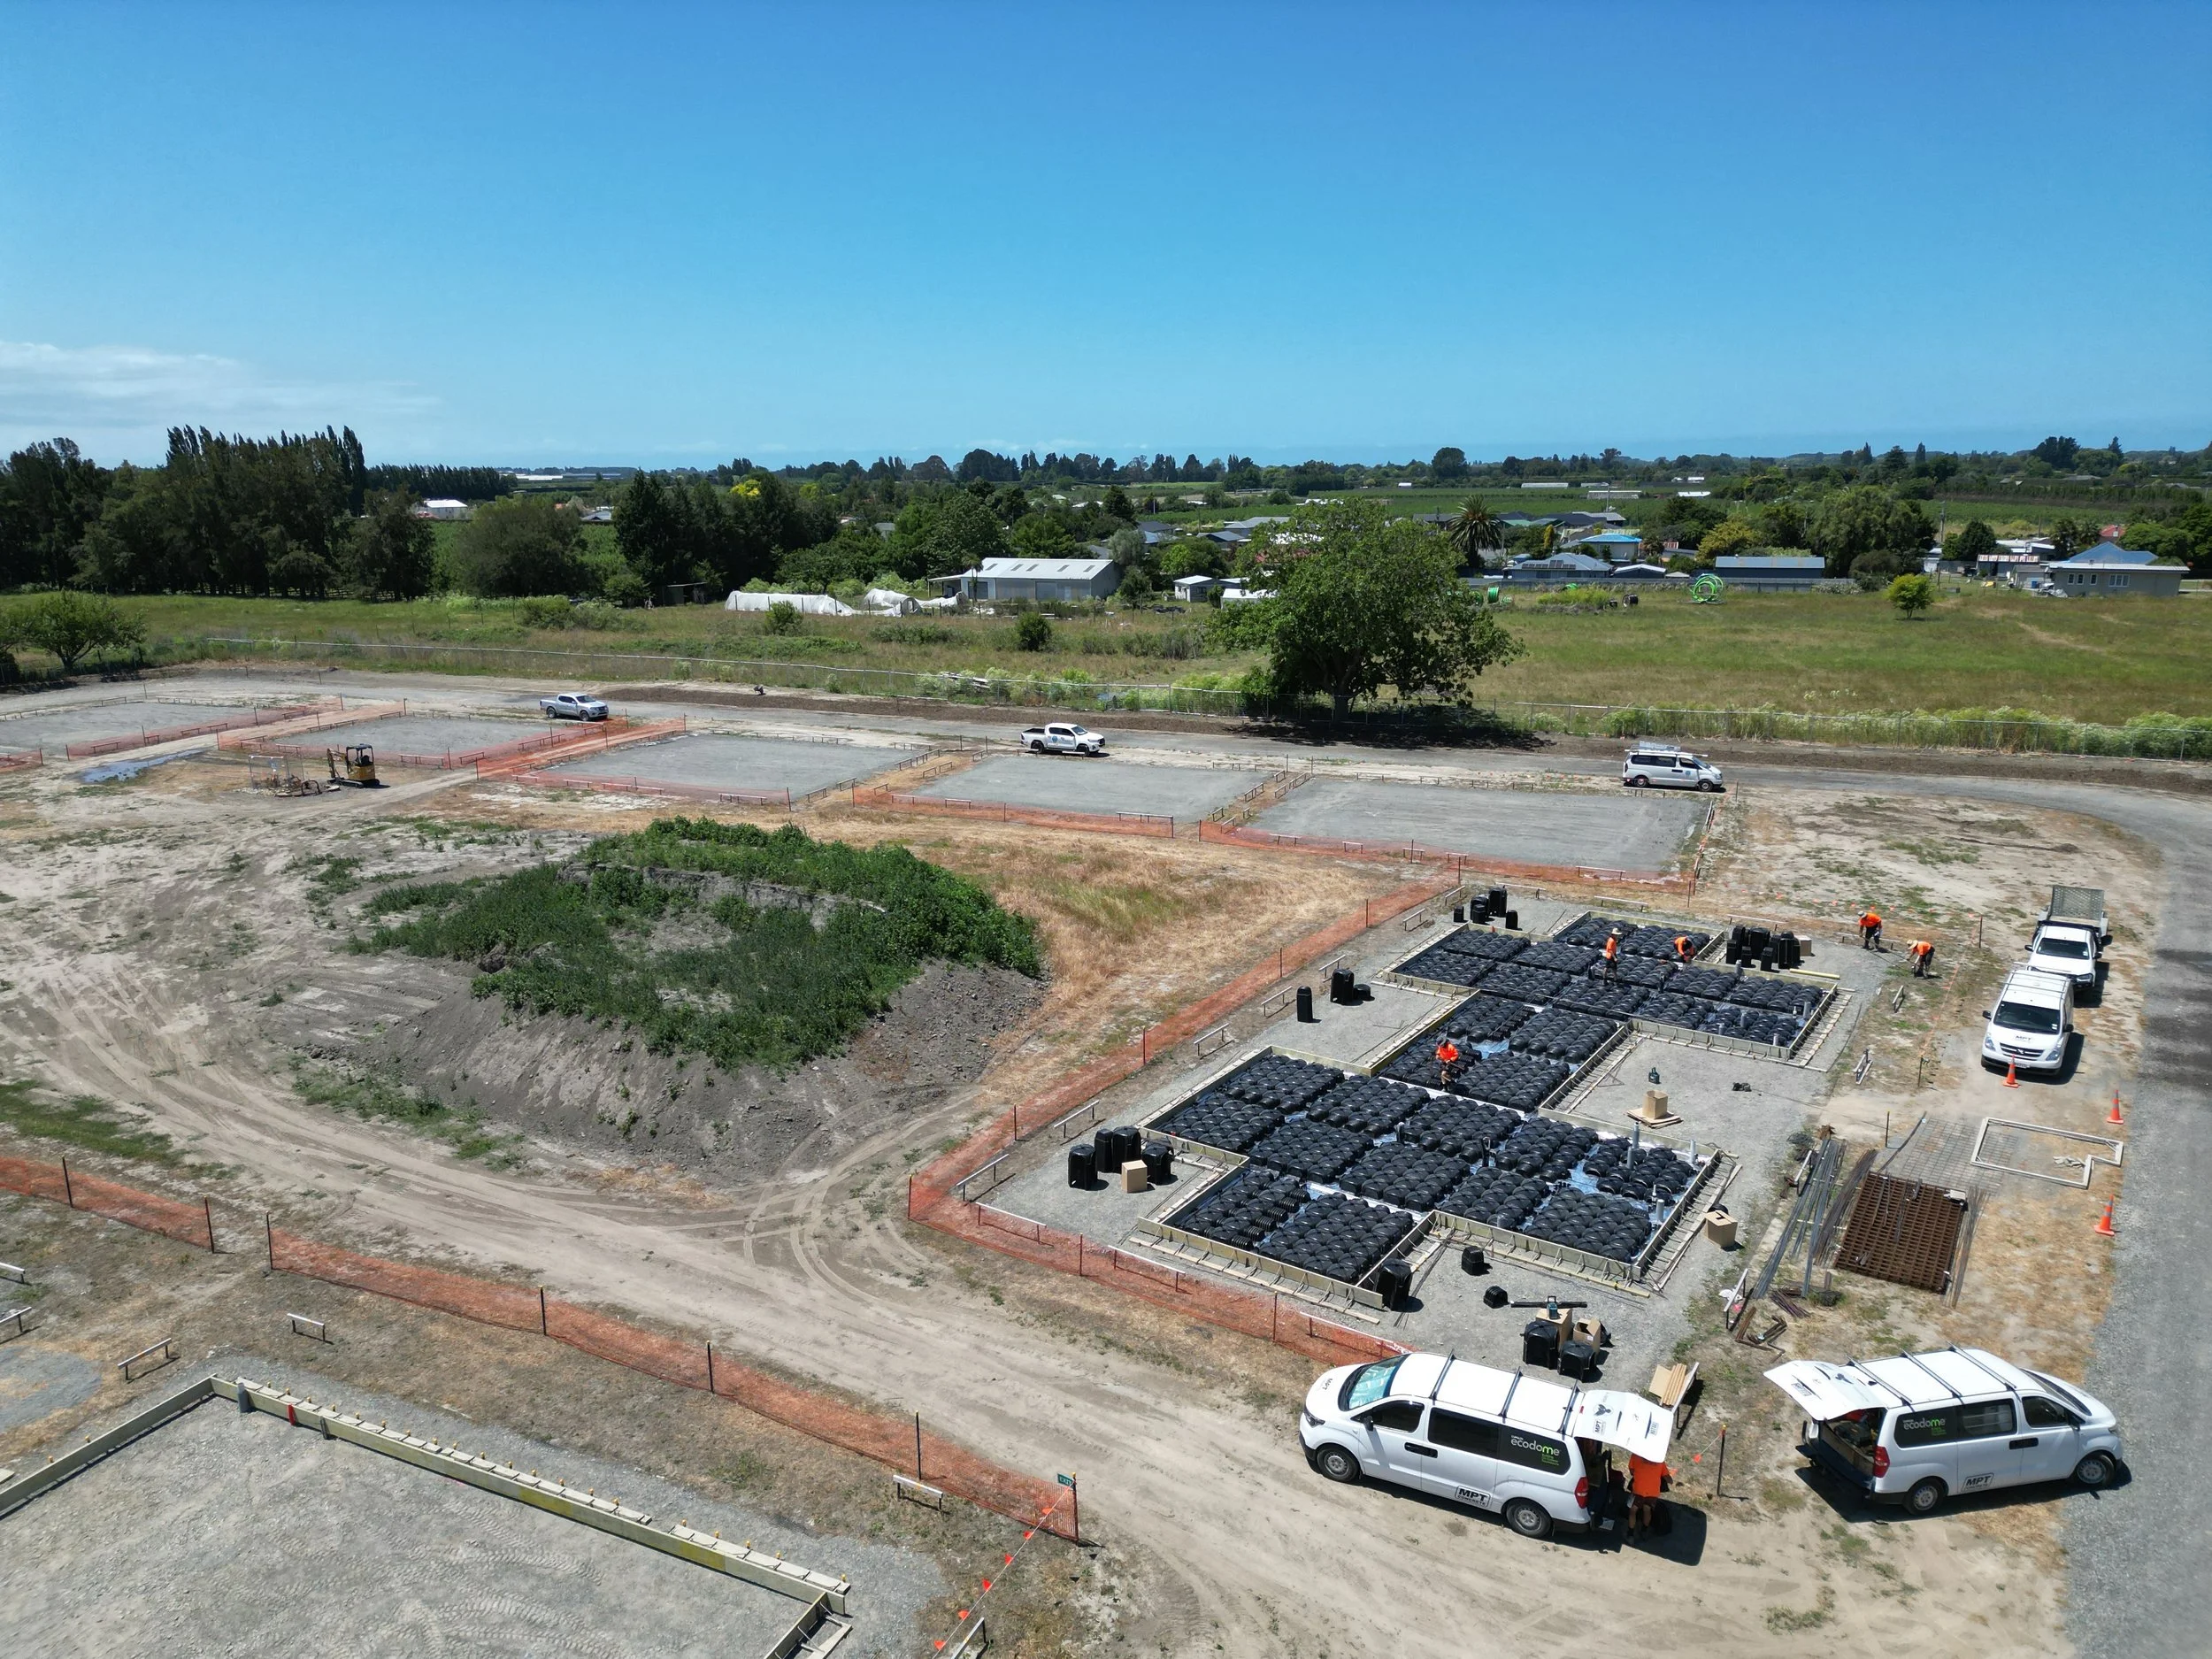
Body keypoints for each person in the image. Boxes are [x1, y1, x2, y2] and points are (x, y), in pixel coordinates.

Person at [1628, 1451, 1671, 1541]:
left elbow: (1632, 1472)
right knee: (1647, 1510)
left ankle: (1630, 1534)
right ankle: (1644, 1531)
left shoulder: (1635, 1455)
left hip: (1638, 1490)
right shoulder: (1659, 1461)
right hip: (1653, 1492)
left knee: (1633, 1510)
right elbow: (1667, 1478)